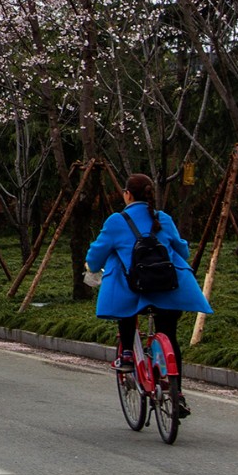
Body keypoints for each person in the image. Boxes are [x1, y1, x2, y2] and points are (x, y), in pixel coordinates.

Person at [85, 172, 211, 417]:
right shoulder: (162, 218)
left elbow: (95, 256)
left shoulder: (116, 221)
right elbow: (182, 251)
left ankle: (128, 354)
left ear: (128, 194)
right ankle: (178, 393)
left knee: (126, 307)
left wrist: (91, 266)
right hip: (169, 288)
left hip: (135, 290)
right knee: (170, 336)